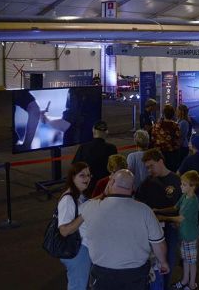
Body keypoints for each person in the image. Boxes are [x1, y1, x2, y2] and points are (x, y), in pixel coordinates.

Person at [81, 169, 168, 290]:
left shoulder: (90, 207)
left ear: (110, 183)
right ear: (132, 187)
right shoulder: (145, 211)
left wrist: (104, 193)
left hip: (102, 275)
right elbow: (159, 244)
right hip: (135, 275)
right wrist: (163, 263)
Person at [136, 149, 182, 289]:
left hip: (170, 228)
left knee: (168, 260)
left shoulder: (176, 181)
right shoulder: (146, 183)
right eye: (147, 167)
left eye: (151, 166)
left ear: (160, 161)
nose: (149, 170)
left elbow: (182, 207)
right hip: (150, 230)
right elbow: (138, 204)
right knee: (152, 263)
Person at [155, 170, 199, 290]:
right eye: (181, 183)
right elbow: (175, 207)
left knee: (192, 261)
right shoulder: (185, 196)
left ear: (193, 186)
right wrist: (158, 210)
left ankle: (192, 284)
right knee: (185, 260)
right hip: (184, 235)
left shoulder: (192, 201)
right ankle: (185, 280)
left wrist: (163, 217)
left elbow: (180, 219)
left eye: (184, 184)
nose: (180, 186)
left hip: (191, 236)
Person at [58, 162, 92, 290]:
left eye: (88, 175)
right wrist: (84, 215)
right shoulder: (68, 199)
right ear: (72, 177)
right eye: (82, 175)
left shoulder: (79, 195)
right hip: (77, 250)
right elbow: (64, 231)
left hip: (82, 248)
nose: (86, 179)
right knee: (78, 286)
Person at [72, 120, 117, 194]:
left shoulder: (83, 147)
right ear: (106, 132)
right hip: (104, 188)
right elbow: (115, 169)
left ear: (93, 130)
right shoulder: (112, 148)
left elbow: (75, 167)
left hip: (87, 188)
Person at [152, 105, 182, 172]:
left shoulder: (157, 125)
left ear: (163, 114)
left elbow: (153, 138)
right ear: (173, 114)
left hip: (159, 153)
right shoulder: (176, 126)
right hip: (172, 154)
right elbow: (178, 139)